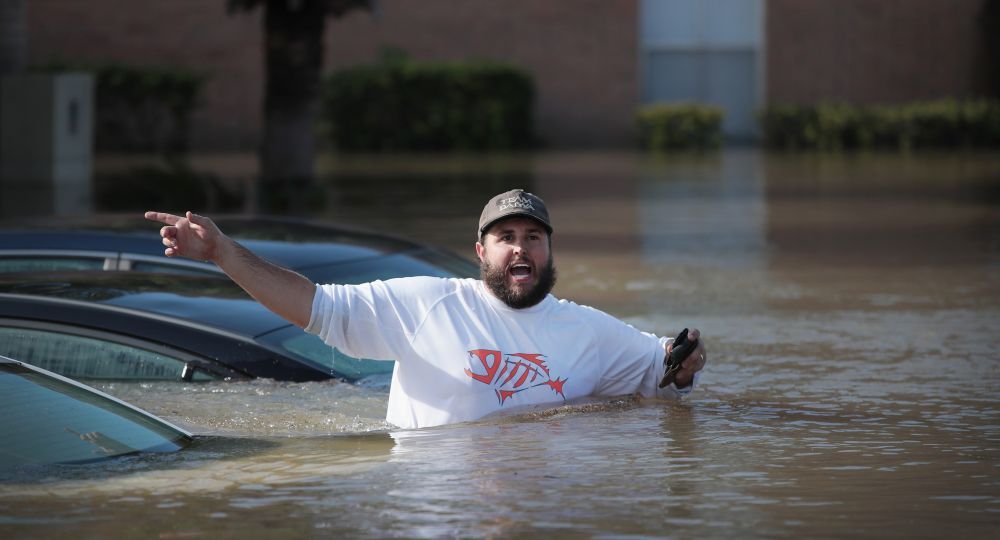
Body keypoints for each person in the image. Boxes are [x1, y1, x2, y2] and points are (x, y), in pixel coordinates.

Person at [145, 189, 707, 429]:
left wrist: (685, 362)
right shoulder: (428, 303)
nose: (520, 249)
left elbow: (661, 366)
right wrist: (223, 253)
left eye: (533, 237)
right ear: (481, 251)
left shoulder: (584, 328)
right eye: (506, 237)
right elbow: (314, 307)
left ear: (549, 250)